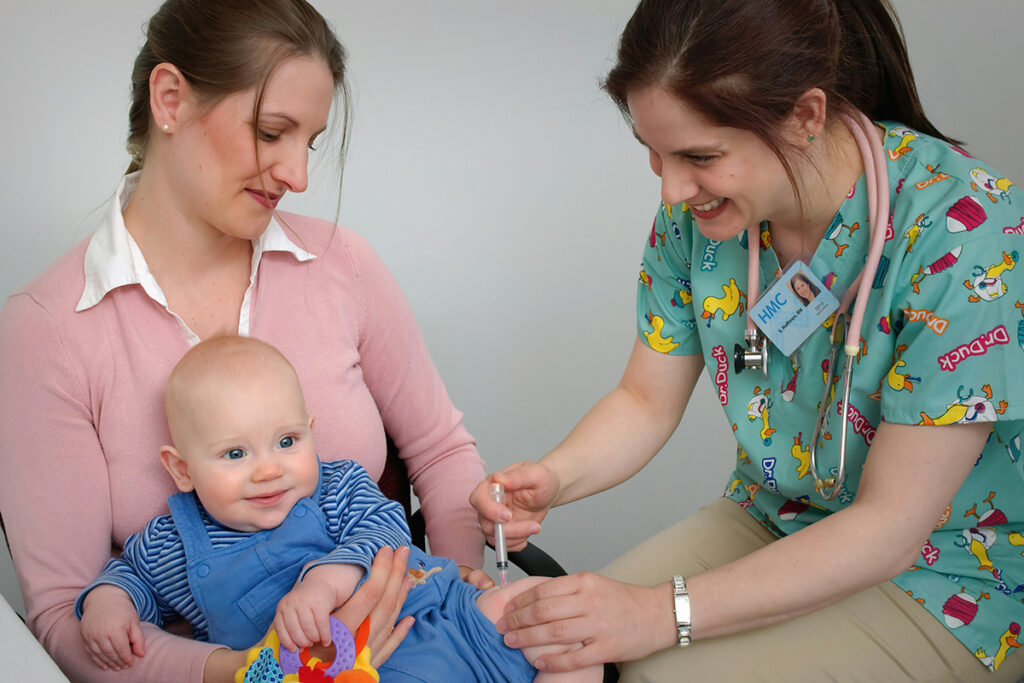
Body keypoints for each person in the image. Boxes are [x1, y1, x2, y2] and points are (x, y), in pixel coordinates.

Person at [472, 0, 1024, 680]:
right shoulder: (702, 219)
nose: (673, 190)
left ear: (805, 116)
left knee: (644, 671)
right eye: (656, 154)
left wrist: (653, 614)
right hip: (774, 517)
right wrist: (555, 477)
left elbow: (890, 526)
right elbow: (645, 400)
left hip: (945, 572)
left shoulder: (966, 234)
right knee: (538, 644)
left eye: (699, 156)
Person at [0, 1, 488, 681]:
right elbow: (63, 614)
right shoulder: (47, 332)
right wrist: (261, 671)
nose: (299, 175)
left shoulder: (344, 265)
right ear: (169, 99)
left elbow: (440, 452)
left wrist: (459, 593)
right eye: (271, 131)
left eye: (309, 142)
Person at [76, 336, 602, 683]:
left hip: (446, 611)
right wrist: (109, 604)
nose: (268, 470)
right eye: (235, 454)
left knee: (567, 613)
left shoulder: (336, 484)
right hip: (347, 670)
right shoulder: (172, 542)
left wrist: (325, 581)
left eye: (286, 441)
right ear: (182, 469)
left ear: (311, 430)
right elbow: (130, 576)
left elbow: (385, 527)